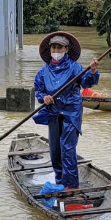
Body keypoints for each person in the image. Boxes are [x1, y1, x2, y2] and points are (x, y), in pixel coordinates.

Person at [33, 31, 101, 195]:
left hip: (71, 111)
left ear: (66, 49)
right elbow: (39, 92)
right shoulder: (43, 71)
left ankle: (71, 186)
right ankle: (60, 182)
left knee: (67, 147)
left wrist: (92, 71)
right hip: (53, 112)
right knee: (55, 150)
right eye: (53, 47)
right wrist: (45, 98)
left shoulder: (75, 68)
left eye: (59, 47)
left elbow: (87, 83)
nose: (56, 50)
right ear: (50, 50)